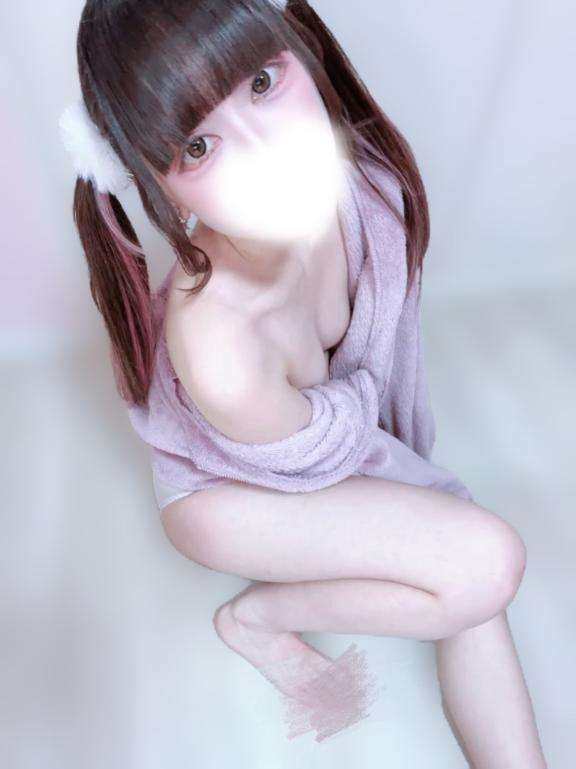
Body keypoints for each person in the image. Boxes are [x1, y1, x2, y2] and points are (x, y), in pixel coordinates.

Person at [59, 0, 548, 761]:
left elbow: (379, 380)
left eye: (262, 82)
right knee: (485, 566)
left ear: (299, 43)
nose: (266, 148)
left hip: (314, 445)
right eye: (198, 146)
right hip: (232, 495)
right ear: (155, 186)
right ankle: (256, 619)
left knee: (474, 573)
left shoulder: (365, 187)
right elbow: (329, 461)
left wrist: (438, 531)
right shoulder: (223, 344)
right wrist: (443, 521)